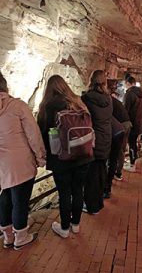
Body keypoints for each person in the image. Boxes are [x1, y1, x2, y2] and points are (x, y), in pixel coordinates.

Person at [38, 75, 92, 238]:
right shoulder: (78, 101)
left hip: (61, 158)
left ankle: (64, 228)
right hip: (83, 154)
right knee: (78, 190)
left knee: (64, 193)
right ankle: (75, 224)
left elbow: (42, 132)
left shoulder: (49, 105)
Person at [0, 72, 46, 250]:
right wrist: (41, 157)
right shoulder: (17, 106)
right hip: (21, 162)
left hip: (2, 164)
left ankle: (7, 235)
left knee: (5, 197)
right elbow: (33, 134)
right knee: (20, 199)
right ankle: (21, 236)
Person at [82, 70, 112, 213]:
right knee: (100, 170)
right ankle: (98, 203)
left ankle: (91, 205)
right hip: (106, 136)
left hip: (93, 138)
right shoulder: (108, 98)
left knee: (90, 174)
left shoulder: (87, 98)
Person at [108, 80, 131, 181]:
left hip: (121, 126)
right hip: (127, 124)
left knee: (118, 150)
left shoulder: (109, 101)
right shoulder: (116, 101)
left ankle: (116, 172)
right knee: (121, 149)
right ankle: (118, 172)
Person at [123, 76, 142, 172]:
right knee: (133, 143)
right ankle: (132, 162)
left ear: (128, 83)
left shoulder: (129, 94)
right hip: (138, 122)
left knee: (131, 143)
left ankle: (132, 165)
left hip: (130, 122)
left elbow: (125, 110)